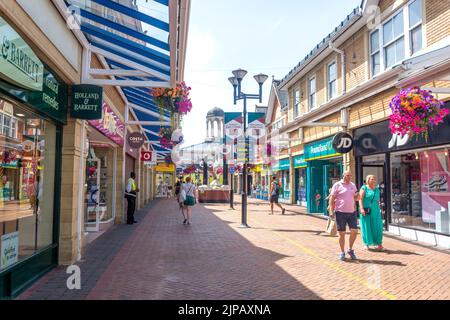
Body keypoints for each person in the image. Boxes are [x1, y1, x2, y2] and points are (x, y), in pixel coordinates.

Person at [329, 171, 359, 261]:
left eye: (350, 175)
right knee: (342, 234)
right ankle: (342, 252)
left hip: (352, 212)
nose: (349, 177)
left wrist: (357, 196)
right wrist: (331, 211)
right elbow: (332, 199)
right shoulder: (337, 185)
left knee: (354, 231)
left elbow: (355, 197)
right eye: (347, 175)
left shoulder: (353, 185)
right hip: (340, 212)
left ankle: (350, 249)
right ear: (343, 176)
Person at [359, 175, 384, 251]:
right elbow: (360, 199)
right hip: (367, 210)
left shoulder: (377, 189)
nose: (373, 180)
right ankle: (366, 243)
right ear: (368, 180)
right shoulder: (364, 188)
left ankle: (379, 243)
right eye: (372, 179)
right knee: (367, 226)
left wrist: (380, 207)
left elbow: (378, 200)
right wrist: (362, 208)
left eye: (374, 179)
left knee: (378, 226)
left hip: (376, 210)